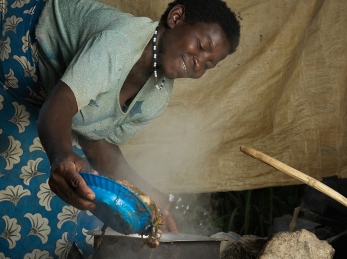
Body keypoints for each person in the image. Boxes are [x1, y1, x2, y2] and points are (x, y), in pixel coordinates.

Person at [0, 0, 240, 257]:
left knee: (80, 216)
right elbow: (63, 102)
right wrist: (61, 156)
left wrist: (146, 193)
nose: (198, 64)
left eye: (208, 64)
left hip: (52, 101)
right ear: (176, 17)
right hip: (22, 44)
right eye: (202, 47)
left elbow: (95, 140)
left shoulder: (155, 98)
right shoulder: (120, 43)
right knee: (27, 201)